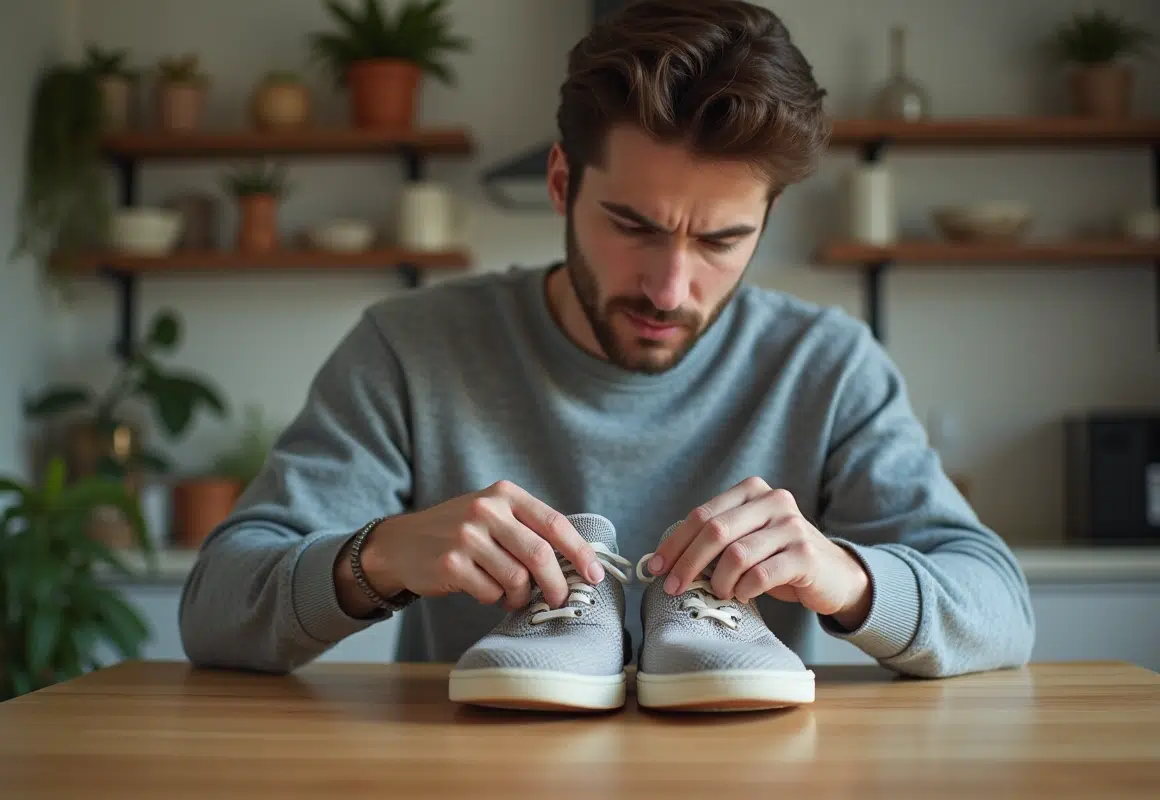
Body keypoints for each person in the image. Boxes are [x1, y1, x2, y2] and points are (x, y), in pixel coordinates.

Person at [178, 0, 1035, 679]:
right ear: (562, 183)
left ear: (767, 219)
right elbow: (215, 610)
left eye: (721, 241)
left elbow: (1001, 610)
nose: (670, 287)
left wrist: (842, 576)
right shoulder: (410, 349)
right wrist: (383, 555)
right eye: (632, 224)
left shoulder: (827, 365)